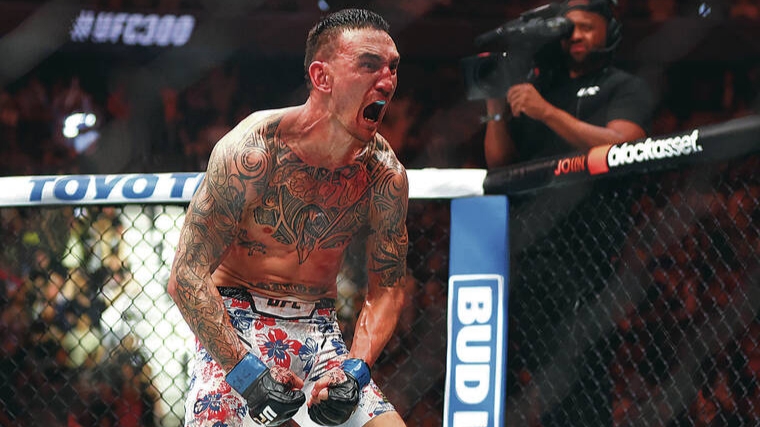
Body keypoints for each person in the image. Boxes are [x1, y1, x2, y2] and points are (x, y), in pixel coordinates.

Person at [167, 8, 409, 427]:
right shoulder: (252, 153)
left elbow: (387, 289)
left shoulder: (383, 174)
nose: (386, 81)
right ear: (322, 77)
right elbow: (185, 275)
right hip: (235, 327)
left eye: (392, 67)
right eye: (369, 65)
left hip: (321, 333)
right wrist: (245, 373)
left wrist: (355, 370)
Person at [483, 0, 655, 168]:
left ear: (609, 32)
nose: (576, 36)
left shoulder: (625, 85)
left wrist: (546, 112)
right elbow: (498, 164)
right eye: (568, 30)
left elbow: (626, 149)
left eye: (586, 28)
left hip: (601, 187)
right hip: (537, 188)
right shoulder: (539, 89)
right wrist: (494, 109)